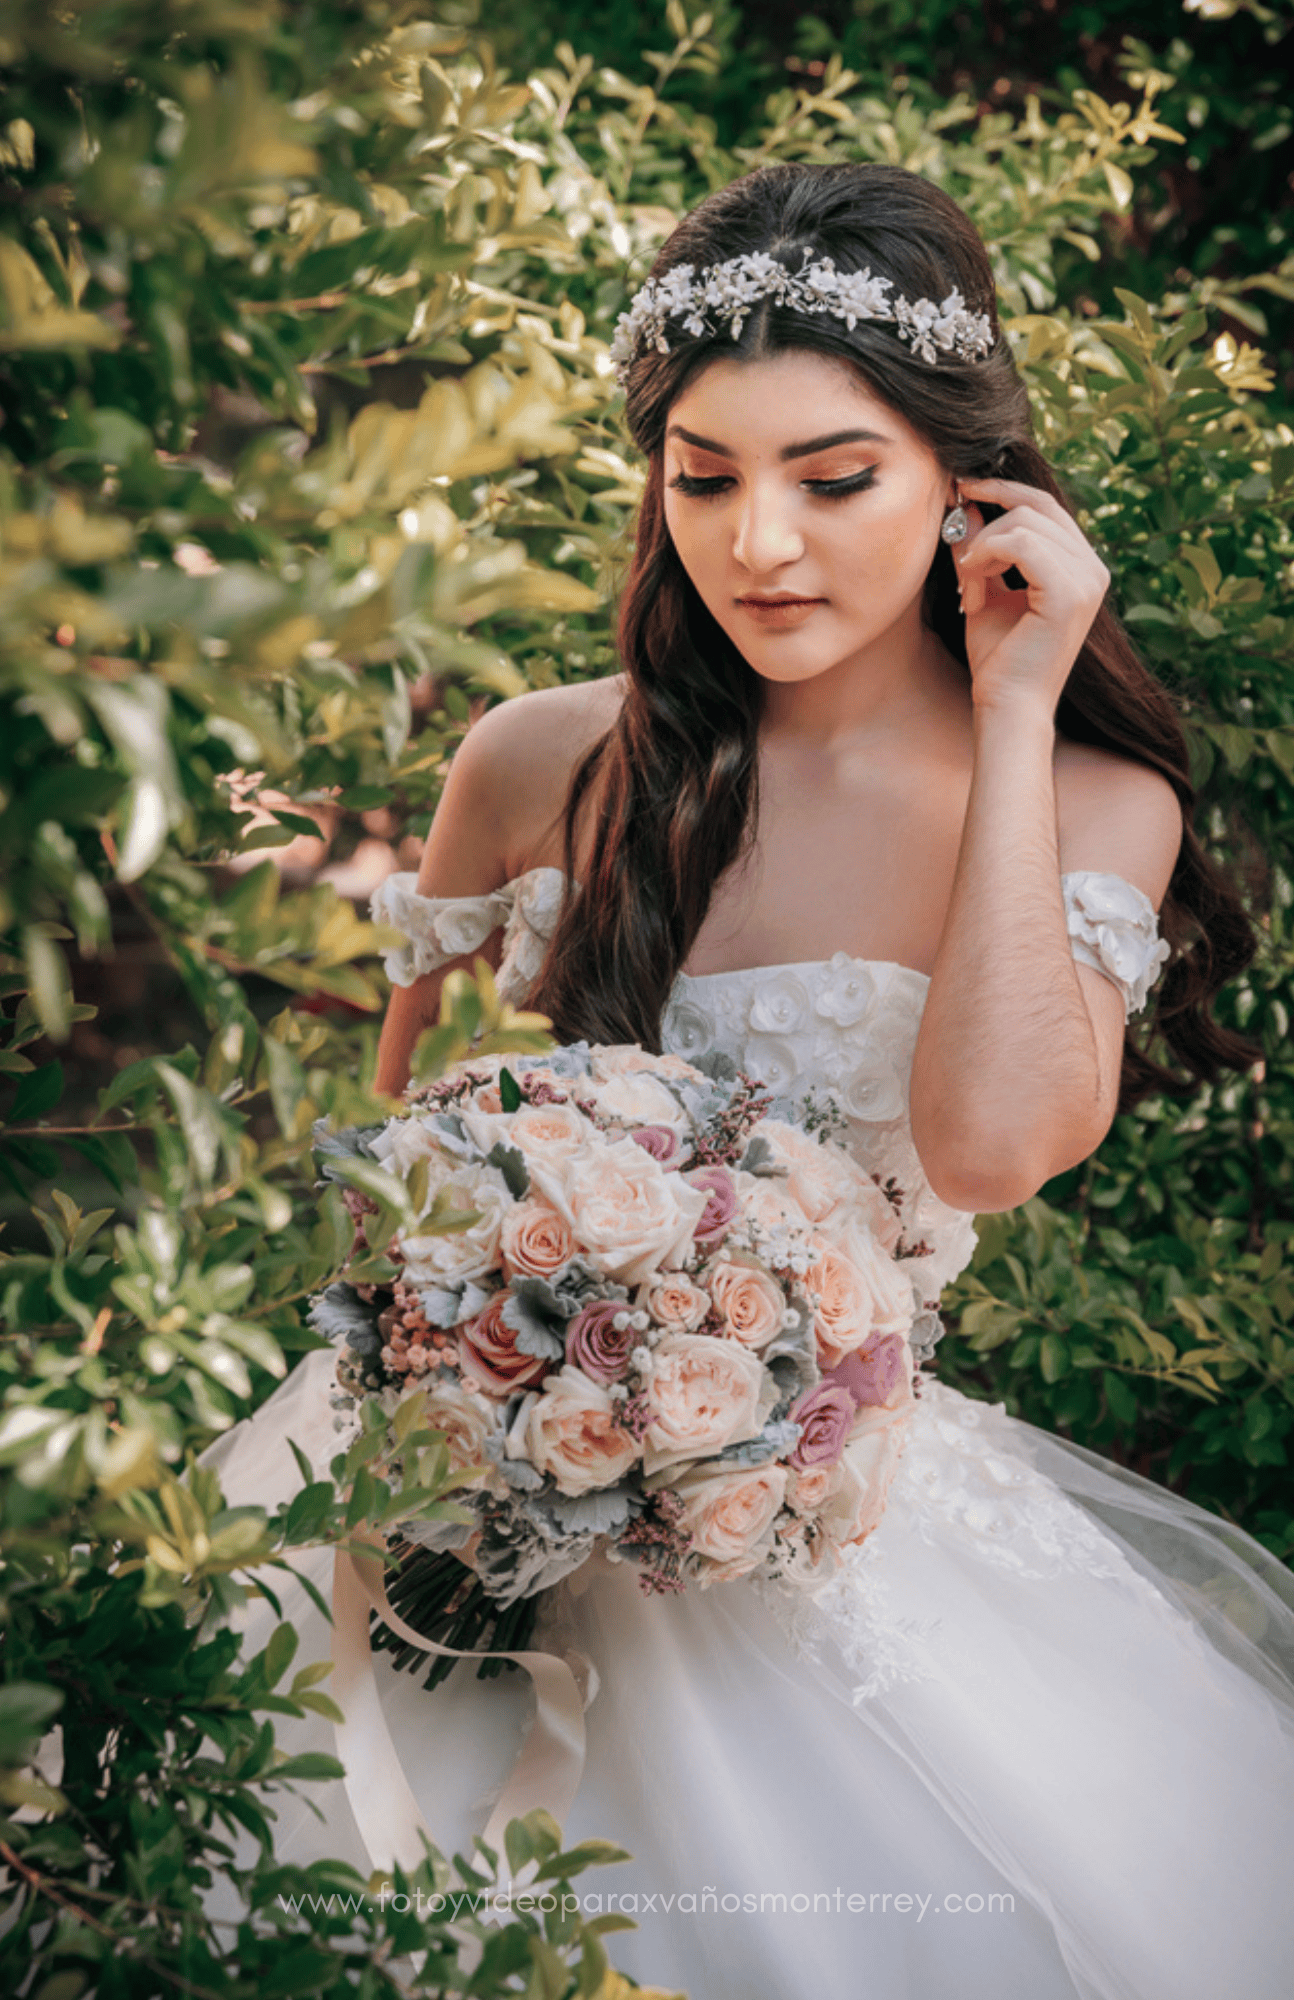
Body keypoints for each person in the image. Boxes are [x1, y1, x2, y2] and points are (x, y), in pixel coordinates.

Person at [206, 163, 1294, 1998]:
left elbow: (990, 1143)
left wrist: (1019, 707)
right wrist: (516, 1344)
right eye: (702, 476)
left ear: (966, 478)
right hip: (430, 1500)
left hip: (812, 1533)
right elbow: (381, 1176)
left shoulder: (1090, 800)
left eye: (831, 477)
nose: (757, 544)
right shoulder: (542, 761)